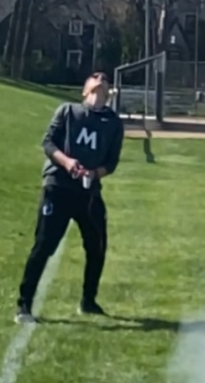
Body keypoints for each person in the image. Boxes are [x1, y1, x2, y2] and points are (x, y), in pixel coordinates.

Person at [16, 72, 124, 324]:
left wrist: (94, 173)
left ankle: (88, 300)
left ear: (109, 93)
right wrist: (68, 163)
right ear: (85, 90)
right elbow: (48, 143)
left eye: (105, 79)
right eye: (94, 77)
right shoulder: (68, 111)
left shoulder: (113, 123)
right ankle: (24, 305)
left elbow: (112, 162)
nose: (100, 78)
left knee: (97, 246)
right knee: (44, 246)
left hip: (88, 194)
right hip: (58, 188)